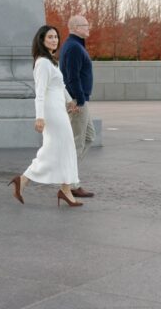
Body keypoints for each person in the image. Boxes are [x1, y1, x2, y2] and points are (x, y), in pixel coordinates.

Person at [8, 25, 84, 208]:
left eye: (56, 37)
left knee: (65, 148)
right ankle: (24, 179)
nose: (54, 40)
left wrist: (70, 102)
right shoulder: (42, 63)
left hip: (59, 109)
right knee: (53, 148)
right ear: (41, 40)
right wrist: (39, 117)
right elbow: (40, 92)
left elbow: (60, 86)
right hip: (51, 112)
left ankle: (65, 189)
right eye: (50, 37)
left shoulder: (51, 62)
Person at [59, 14, 95, 197]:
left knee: (89, 137)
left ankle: (67, 177)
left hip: (79, 99)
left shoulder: (76, 45)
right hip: (77, 101)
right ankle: (70, 184)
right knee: (78, 142)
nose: (88, 28)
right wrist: (79, 100)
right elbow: (72, 77)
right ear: (75, 28)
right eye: (85, 25)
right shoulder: (73, 47)